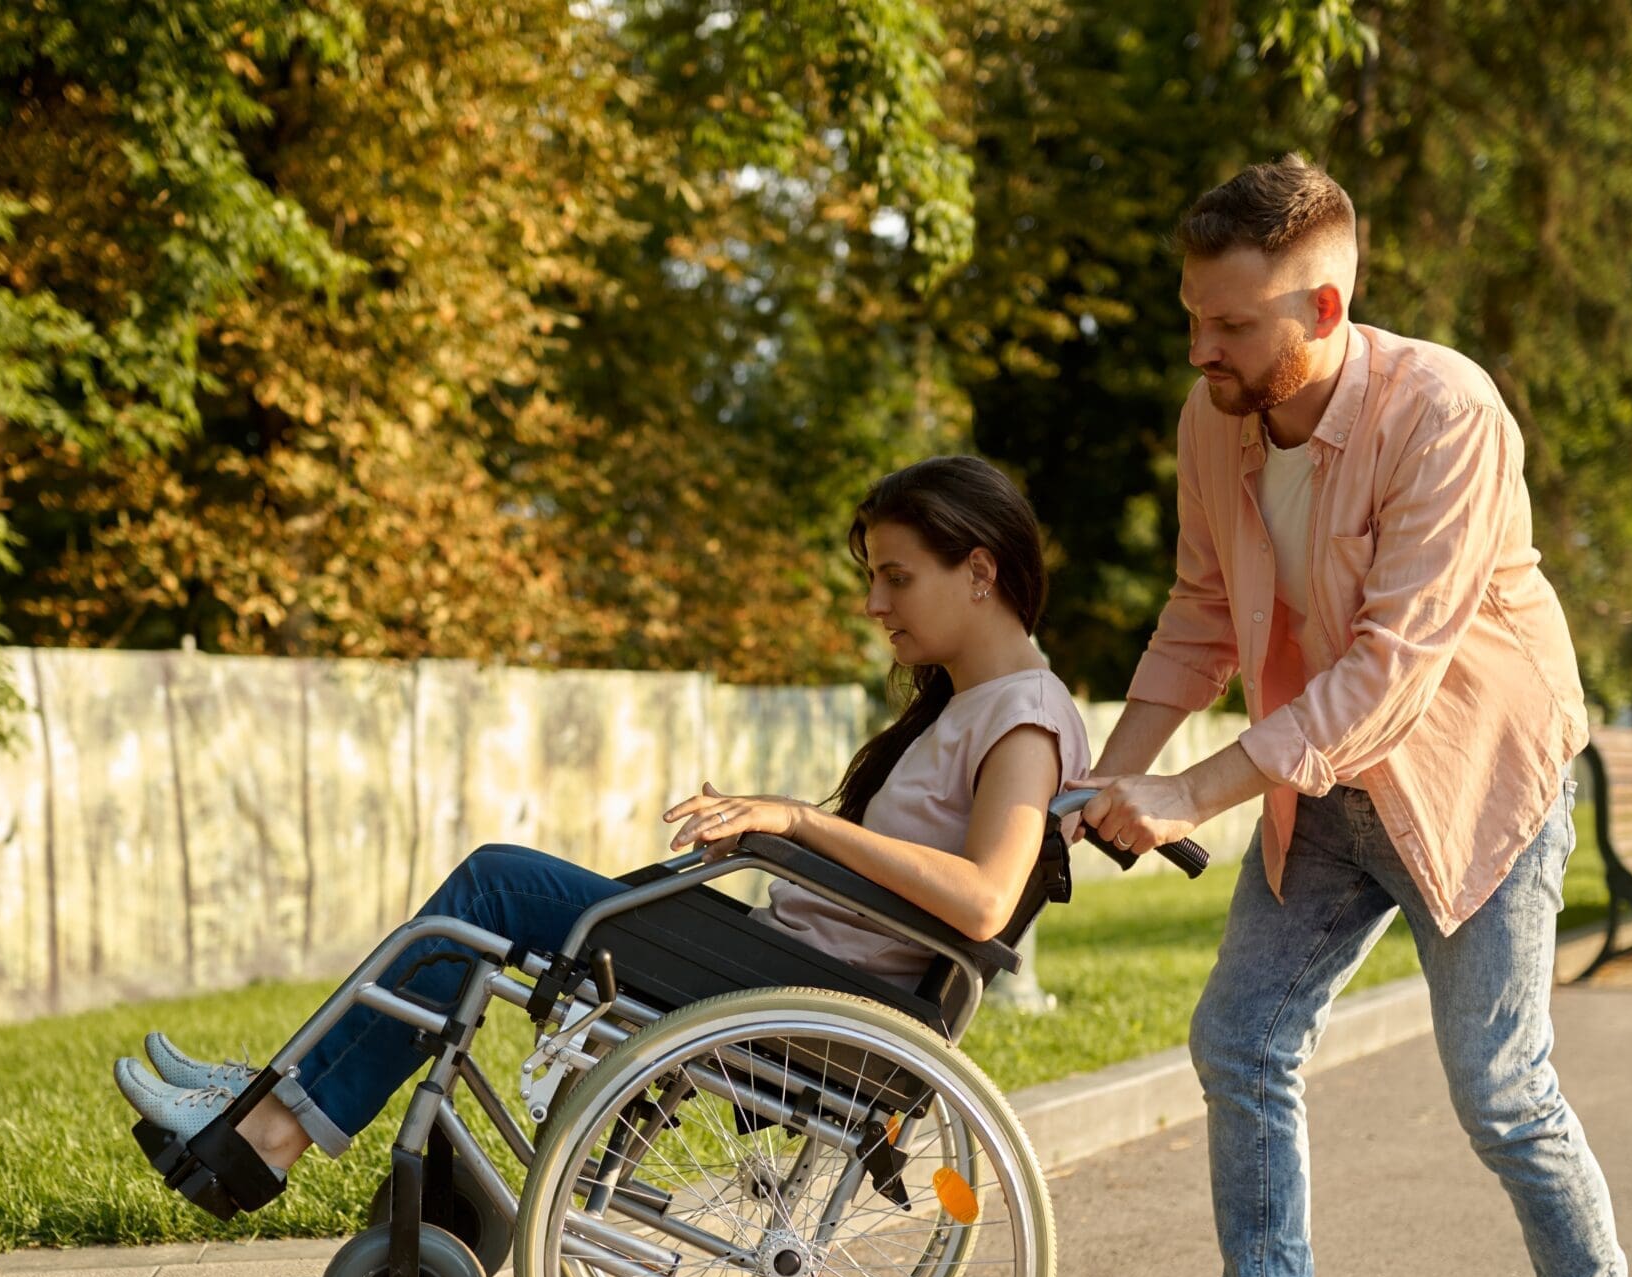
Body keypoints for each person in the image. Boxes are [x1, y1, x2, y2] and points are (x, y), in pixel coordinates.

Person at [1077, 157, 1632, 1277]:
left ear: (1326, 309)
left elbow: (1390, 674)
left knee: (1503, 1092)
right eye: (1194, 316)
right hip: (1318, 783)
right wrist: (1103, 780)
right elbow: (1197, 618)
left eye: (1232, 324)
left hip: (1469, 779)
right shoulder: (1214, 417)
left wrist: (1190, 789)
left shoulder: (1446, 412)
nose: (1203, 347)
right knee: (1239, 1038)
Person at [115, 456, 1093, 1225]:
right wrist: (778, 843)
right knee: (483, 914)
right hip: (790, 969)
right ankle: (273, 1095)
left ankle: (271, 1126)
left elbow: (980, 900)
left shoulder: (1022, 715)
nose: (874, 603)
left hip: (809, 996)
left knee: (494, 889)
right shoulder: (972, 706)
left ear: (978, 570)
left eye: (894, 576)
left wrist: (798, 822)